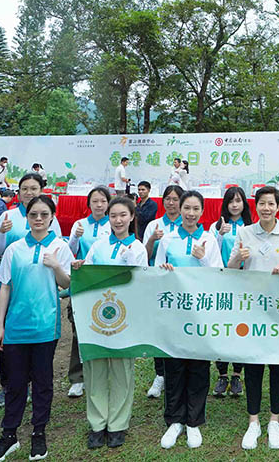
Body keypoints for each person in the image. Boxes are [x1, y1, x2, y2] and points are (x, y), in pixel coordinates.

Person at [0, 195, 74, 462]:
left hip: (46, 326)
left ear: (52, 218)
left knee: (43, 382)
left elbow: (66, 284)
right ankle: (9, 435)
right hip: (15, 327)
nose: (38, 219)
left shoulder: (61, 247)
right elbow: (4, 287)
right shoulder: (14, 249)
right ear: (27, 217)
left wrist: (56, 265)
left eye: (44, 215)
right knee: (15, 383)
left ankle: (39, 433)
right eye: (34, 214)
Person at [227, 185, 279, 450]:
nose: (266, 208)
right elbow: (232, 268)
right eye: (262, 204)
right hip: (253, 309)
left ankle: (274, 420)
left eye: (271, 204)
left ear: (277, 206)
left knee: (278, 366)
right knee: (254, 365)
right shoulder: (245, 232)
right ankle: (254, 421)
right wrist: (238, 256)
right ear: (255, 206)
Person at [75, 196, 147, 450]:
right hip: (96, 318)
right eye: (113, 215)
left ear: (131, 217)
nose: (118, 220)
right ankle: (97, 423)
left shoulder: (138, 248)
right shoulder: (98, 245)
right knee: (95, 369)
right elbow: (89, 275)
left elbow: (142, 283)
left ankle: (117, 424)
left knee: (121, 371)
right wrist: (81, 267)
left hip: (125, 320)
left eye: (122, 215)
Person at [155, 190, 223, 450]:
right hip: (173, 312)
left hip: (200, 314)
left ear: (202, 212)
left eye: (196, 209)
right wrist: (164, 271)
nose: (191, 213)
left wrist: (202, 257)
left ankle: (193, 421)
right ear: (179, 209)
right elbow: (157, 271)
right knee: (174, 366)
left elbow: (217, 275)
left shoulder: (209, 239)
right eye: (187, 208)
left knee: (197, 367)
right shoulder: (168, 239)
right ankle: (174, 420)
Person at [0, 173, 61, 407]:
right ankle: (8, 384)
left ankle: (31, 384)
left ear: (41, 190)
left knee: (38, 338)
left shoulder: (47, 215)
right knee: (8, 336)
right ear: (18, 192)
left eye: (34, 188)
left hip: (38, 285)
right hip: (10, 282)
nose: (29, 193)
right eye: (24, 189)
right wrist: (2, 232)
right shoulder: (8, 215)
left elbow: (56, 247)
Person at [66, 185, 112, 399]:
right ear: (89, 203)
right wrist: (75, 237)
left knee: (109, 329)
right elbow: (70, 252)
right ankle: (77, 378)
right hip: (83, 284)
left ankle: (105, 376)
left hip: (108, 286)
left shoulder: (114, 223)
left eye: (103, 201)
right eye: (95, 201)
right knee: (80, 332)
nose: (99, 205)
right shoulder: (80, 224)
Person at [142, 184, 184, 399]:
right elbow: (144, 255)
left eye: (175, 199)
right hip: (158, 284)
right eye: (167, 198)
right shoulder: (154, 225)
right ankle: (160, 374)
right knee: (159, 329)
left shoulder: (189, 223)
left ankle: (177, 373)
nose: (170, 202)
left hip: (182, 287)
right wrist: (151, 240)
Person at [211, 185, 251, 398]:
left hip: (246, 283)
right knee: (221, 327)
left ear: (244, 203)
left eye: (238, 201)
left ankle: (237, 374)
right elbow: (211, 254)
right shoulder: (216, 226)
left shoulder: (251, 226)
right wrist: (219, 235)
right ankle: (222, 374)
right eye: (231, 201)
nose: (235, 205)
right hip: (223, 282)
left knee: (242, 328)